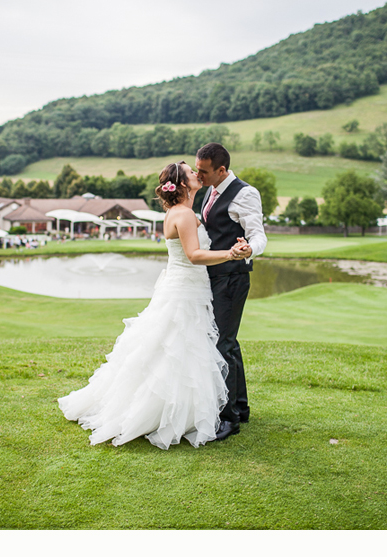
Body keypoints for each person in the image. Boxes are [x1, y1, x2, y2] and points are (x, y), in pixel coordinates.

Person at [58, 161, 249, 450]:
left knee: (179, 347)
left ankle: (191, 408)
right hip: (185, 288)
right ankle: (167, 412)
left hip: (187, 286)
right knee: (179, 347)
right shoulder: (183, 214)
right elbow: (195, 255)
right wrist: (231, 254)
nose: (197, 174)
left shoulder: (180, 212)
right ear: (183, 185)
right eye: (190, 172)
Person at [196, 142, 267, 441]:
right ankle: (241, 407)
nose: (199, 177)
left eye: (204, 172)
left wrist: (250, 249)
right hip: (212, 277)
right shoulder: (208, 191)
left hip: (233, 278)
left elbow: (258, 234)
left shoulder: (245, 193)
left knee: (221, 346)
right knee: (229, 343)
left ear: (221, 170)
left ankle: (229, 419)